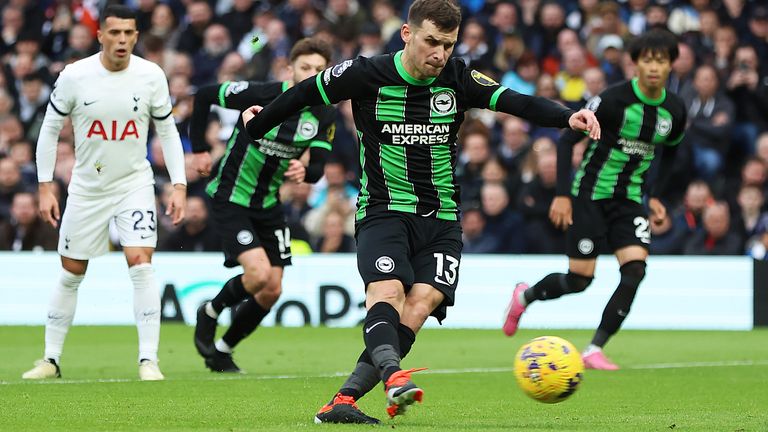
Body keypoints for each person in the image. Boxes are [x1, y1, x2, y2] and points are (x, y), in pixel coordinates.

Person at [242, 0, 600, 423]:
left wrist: (566, 116)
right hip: (383, 210)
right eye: (432, 42)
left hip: (443, 218)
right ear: (407, 34)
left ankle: (341, 402)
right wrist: (259, 123)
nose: (440, 54)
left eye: (448, 45)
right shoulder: (365, 74)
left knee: (419, 306)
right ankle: (394, 377)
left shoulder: (458, 77)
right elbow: (305, 92)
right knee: (388, 294)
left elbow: (513, 101)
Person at [503, 29, 687, 371]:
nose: (653, 67)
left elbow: (672, 152)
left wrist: (657, 194)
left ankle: (594, 348)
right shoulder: (613, 101)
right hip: (589, 195)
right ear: (634, 63)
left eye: (660, 61)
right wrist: (562, 194)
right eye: (647, 59)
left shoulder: (674, 109)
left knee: (635, 269)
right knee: (580, 279)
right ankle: (524, 296)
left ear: (671, 65)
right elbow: (566, 142)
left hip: (630, 200)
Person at [23, 5, 187, 381]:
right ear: (100, 35)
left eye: (129, 33)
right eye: (115, 33)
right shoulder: (75, 76)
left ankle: (149, 360)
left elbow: (168, 133)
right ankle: (50, 359)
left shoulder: (150, 75)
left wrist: (178, 184)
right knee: (71, 271)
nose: (123, 40)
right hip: (86, 188)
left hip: (134, 184)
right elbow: (49, 130)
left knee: (141, 263)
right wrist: (46, 185)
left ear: (136, 35)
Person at [190, 37, 336, 373]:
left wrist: (305, 170)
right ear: (290, 68)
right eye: (305, 68)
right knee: (257, 275)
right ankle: (209, 311)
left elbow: (317, 168)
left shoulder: (324, 113)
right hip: (231, 197)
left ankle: (223, 350)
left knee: (272, 289)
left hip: (269, 203)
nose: (312, 74)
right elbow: (204, 95)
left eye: (319, 70)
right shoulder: (262, 95)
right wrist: (199, 148)